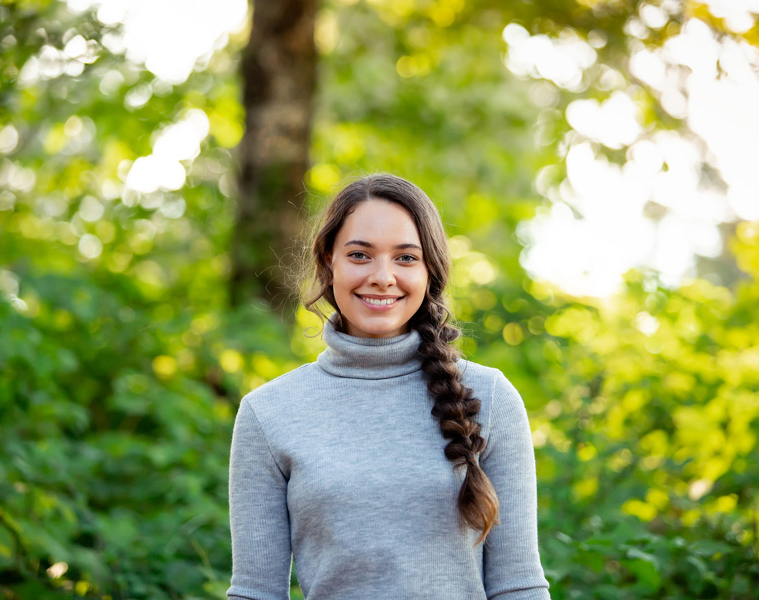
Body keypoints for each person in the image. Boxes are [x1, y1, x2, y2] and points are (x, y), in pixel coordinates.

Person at [227, 174, 551, 600]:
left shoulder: (490, 398)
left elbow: (519, 587)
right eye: (360, 255)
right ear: (329, 262)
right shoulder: (268, 412)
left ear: (429, 269)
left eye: (405, 258)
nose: (382, 277)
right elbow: (256, 593)